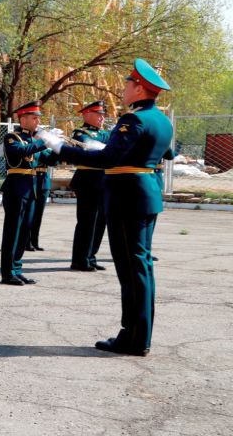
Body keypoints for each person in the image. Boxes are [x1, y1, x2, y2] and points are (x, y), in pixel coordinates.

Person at [39, 59, 174, 356]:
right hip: (145, 194)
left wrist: (61, 148)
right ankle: (140, 334)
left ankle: (134, 338)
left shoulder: (134, 120)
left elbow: (107, 160)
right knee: (142, 267)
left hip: (128, 197)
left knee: (131, 269)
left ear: (139, 88)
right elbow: (166, 152)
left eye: (127, 84)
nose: (124, 89)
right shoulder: (161, 120)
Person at [0, 101, 48, 285]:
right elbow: (21, 152)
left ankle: (17, 268)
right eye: (34, 118)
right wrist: (44, 142)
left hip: (31, 189)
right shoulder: (12, 137)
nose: (37, 121)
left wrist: (60, 148)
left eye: (38, 118)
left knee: (24, 231)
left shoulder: (33, 140)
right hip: (16, 189)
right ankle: (7, 272)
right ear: (23, 119)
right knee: (13, 231)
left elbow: (47, 158)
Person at [68, 101, 111, 272]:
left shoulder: (105, 133)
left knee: (100, 222)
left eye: (103, 114)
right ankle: (79, 260)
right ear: (86, 115)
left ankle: (91, 256)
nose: (102, 117)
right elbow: (89, 147)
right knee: (87, 221)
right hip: (87, 180)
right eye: (98, 114)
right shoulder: (80, 133)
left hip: (103, 180)